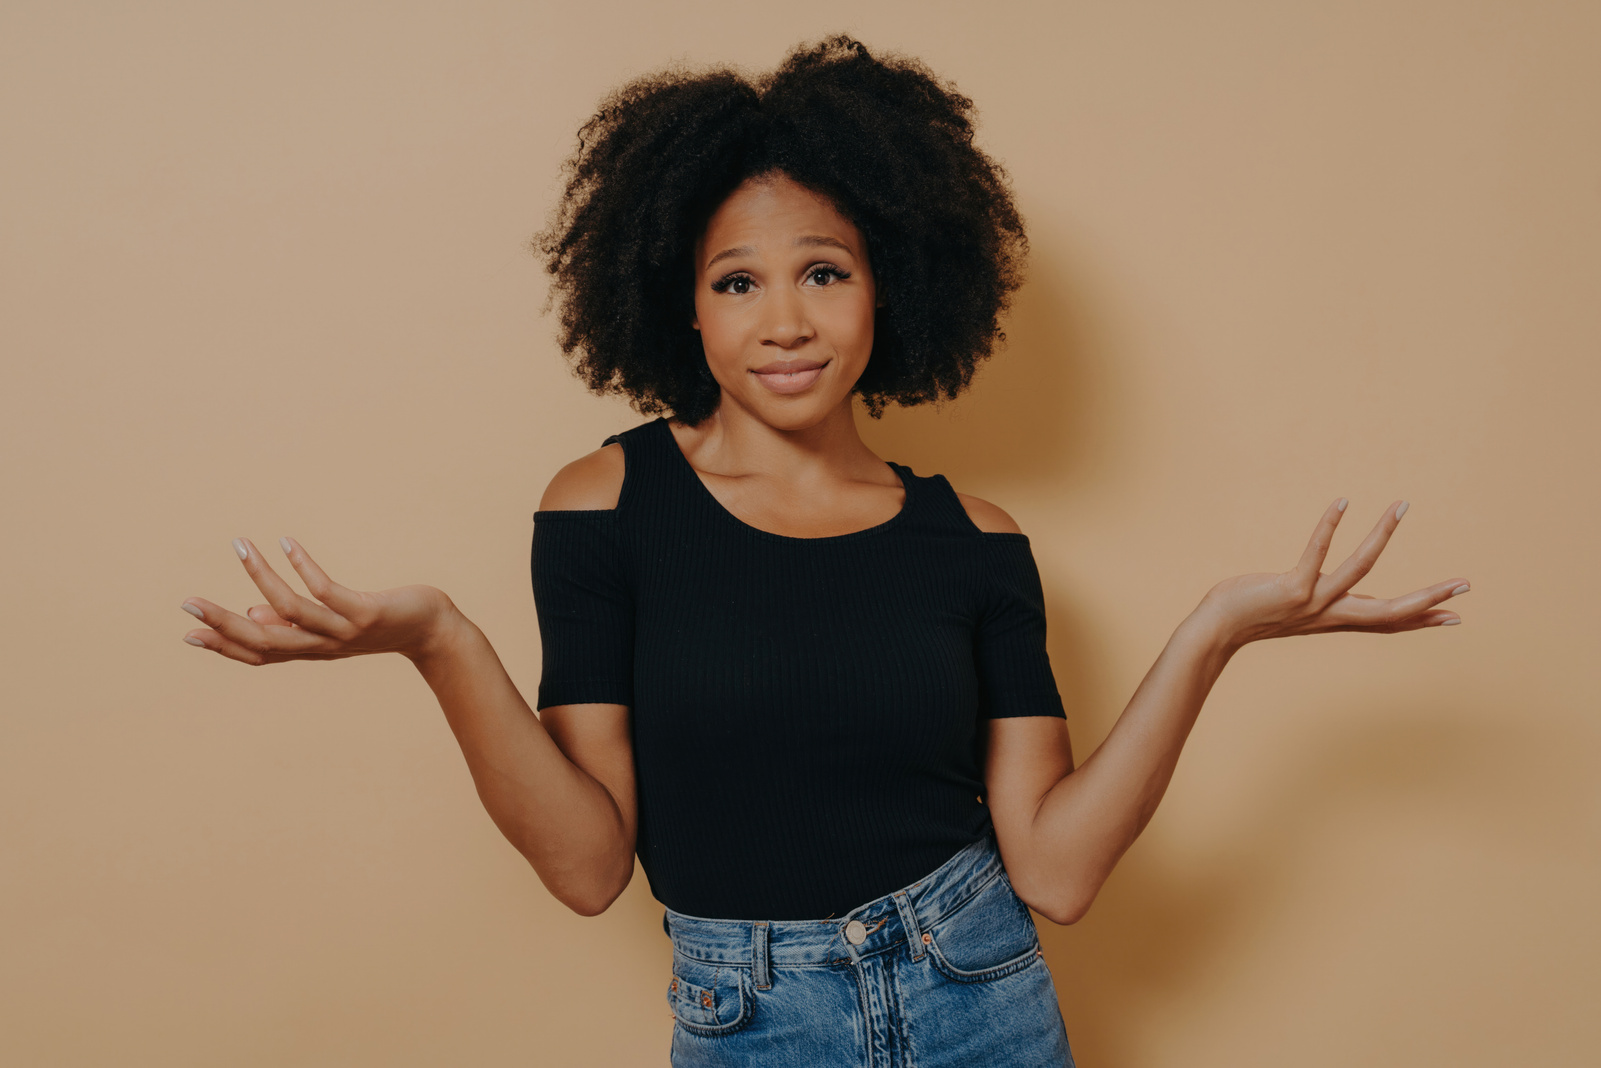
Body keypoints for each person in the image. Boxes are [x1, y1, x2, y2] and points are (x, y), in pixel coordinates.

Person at [178, 36, 1469, 1068]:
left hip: (984, 999)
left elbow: (1060, 874)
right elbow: (583, 867)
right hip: (750, 1017)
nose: (783, 321)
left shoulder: (976, 540)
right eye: (736, 281)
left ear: (890, 285)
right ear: (677, 302)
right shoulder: (602, 504)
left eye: (825, 273)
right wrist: (439, 642)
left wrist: (1212, 631)